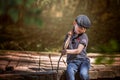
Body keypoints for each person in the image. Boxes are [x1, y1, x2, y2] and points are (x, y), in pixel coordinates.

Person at [61, 15, 91, 80]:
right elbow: (64, 47)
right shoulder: (69, 35)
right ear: (74, 23)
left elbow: (78, 50)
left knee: (83, 74)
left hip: (83, 61)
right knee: (69, 72)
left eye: (84, 28)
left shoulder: (84, 36)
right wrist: (69, 37)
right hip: (72, 62)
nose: (82, 29)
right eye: (80, 27)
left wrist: (67, 51)